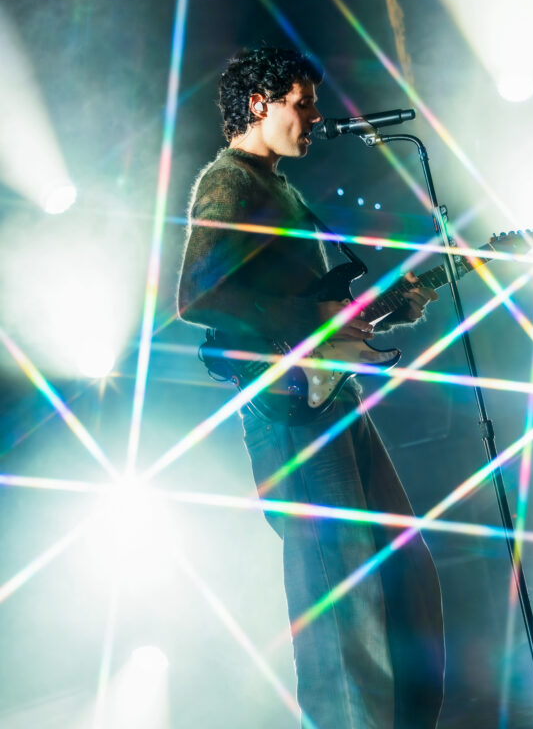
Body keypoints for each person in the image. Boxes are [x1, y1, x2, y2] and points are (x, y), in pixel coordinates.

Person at [178, 45, 445, 728]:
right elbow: (197, 297)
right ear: (259, 105)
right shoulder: (229, 181)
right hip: (289, 409)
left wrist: (384, 311)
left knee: (401, 565)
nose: (316, 117)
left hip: (330, 395)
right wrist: (314, 318)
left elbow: (318, 309)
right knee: (340, 588)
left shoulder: (283, 190)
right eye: (303, 104)